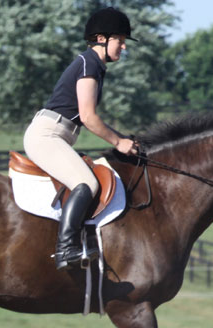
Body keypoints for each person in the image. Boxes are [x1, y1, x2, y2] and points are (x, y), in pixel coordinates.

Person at [23, 6, 141, 269]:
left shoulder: (93, 65)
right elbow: (88, 117)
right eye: (120, 41)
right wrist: (119, 142)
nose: (123, 47)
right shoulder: (89, 64)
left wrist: (123, 138)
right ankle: (66, 249)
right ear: (101, 38)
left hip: (58, 134)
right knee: (86, 182)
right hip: (47, 134)